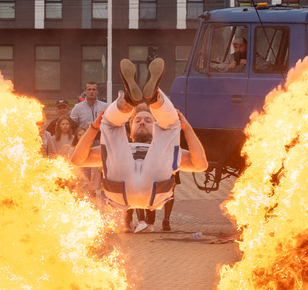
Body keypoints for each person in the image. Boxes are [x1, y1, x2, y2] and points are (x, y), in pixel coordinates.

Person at [70, 58, 207, 212]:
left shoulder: (163, 150)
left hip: (123, 192)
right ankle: (153, 98)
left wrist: (95, 127)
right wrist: (185, 128)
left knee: (110, 125)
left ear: (155, 127)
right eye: (138, 120)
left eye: (148, 120)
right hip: (152, 192)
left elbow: (200, 165)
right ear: (131, 127)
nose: (142, 122)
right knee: (170, 126)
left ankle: (129, 99)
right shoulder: (125, 148)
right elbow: (78, 160)